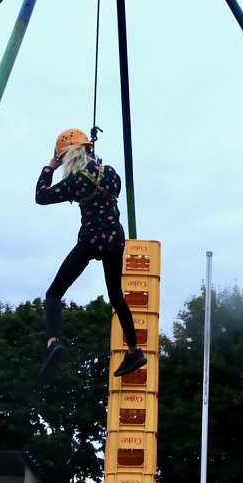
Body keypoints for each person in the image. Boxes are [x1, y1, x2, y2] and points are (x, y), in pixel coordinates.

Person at [35, 128, 147, 382]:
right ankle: (134, 351)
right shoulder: (110, 173)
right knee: (116, 295)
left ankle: (53, 342)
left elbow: (41, 196)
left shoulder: (75, 183)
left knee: (54, 293)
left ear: (66, 156)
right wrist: (95, 164)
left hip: (91, 241)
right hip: (115, 240)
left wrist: (50, 167)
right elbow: (114, 190)